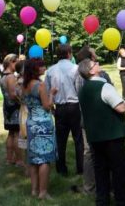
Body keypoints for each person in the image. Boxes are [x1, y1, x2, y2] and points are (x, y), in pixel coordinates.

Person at [77, 58, 125, 205]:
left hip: (95, 135)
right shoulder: (104, 86)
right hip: (112, 134)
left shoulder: (83, 89)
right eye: (95, 64)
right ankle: (121, 200)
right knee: (118, 169)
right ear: (91, 71)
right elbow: (120, 107)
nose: (98, 64)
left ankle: (102, 199)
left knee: (100, 169)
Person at [21, 58, 57, 199]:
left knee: (34, 158)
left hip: (31, 122)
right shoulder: (40, 85)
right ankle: (43, 192)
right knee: (44, 159)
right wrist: (52, 95)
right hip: (43, 124)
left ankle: (34, 190)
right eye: (41, 66)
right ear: (34, 69)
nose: (44, 68)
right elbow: (47, 106)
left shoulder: (23, 86)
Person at [46, 44, 84, 176]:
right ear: (69, 53)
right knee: (78, 138)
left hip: (60, 108)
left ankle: (61, 169)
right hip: (74, 106)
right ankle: (81, 168)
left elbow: (47, 91)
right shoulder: (76, 69)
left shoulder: (50, 70)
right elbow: (80, 89)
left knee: (60, 140)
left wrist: (52, 108)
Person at [0, 54, 23, 166]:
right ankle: (19, 160)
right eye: (16, 62)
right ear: (10, 62)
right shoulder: (11, 77)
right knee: (16, 134)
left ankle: (9, 159)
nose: (18, 65)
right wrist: (22, 102)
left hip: (7, 108)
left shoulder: (3, 75)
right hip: (14, 108)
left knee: (10, 133)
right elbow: (13, 95)